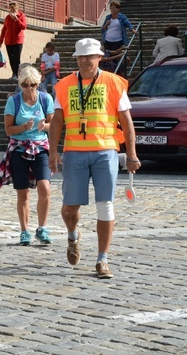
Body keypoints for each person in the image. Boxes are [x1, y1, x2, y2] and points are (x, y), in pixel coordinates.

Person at [49, 38, 140, 280]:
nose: (85, 61)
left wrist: (131, 154)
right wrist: (53, 152)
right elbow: (57, 121)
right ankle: (72, 235)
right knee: (70, 208)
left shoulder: (113, 83)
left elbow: (127, 122)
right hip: (74, 153)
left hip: (106, 151)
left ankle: (102, 259)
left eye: (90, 56)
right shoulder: (65, 84)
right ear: (76, 59)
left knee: (105, 205)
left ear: (100, 58)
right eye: (81, 57)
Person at [0, 66, 54, 245]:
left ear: (38, 83)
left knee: (45, 187)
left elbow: (54, 123)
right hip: (19, 148)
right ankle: (24, 230)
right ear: (20, 84)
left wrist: (45, 126)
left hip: (40, 147)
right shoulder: (14, 101)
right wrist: (24, 128)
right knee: (23, 192)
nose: (29, 88)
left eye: (33, 84)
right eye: (25, 85)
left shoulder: (45, 98)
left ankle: (42, 228)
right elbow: (9, 130)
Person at [0, 1, 27, 80]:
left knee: (16, 58)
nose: (12, 11)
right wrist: (0, 41)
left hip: (18, 41)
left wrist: (17, 20)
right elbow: (4, 29)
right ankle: (14, 73)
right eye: (11, 9)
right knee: (11, 58)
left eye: (13, 9)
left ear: (17, 9)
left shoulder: (21, 16)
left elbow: (24, 27)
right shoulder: (7, 18)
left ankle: (17, 74)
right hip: (8, 41)